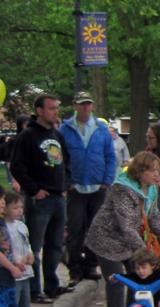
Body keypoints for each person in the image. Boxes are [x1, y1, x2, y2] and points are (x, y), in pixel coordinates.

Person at [85, 152, 160, 307]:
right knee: (117, 279)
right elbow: (127, 226)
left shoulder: (151, 189)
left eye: (158, 170)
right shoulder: (122, 189)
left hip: (128, 241)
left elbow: (154, 215)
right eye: (153, 170)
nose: (157, 174)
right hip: (107, 238)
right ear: (140, 172)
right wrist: (144, 252)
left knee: (137, 278)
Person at [10, 94, 72, 303]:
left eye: (57, 108)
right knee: (35, 246)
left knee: (55, 244)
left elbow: (67, 163)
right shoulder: (27, 136)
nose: (55, 112)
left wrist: (65, 186)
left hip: (58, 197)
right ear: (39, 111)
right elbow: (17, 166)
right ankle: (35, 290)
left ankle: (52, 285)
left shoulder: (57, 135)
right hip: (40, 198)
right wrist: (33, 189)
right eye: (51, 108)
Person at [60, 91, 117, 286]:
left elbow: (110, 157)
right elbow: (60, 158)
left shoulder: (101, 129)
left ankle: (91, 265)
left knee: (96, 228)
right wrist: (67, 183)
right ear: (75, 105)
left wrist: (107, 180)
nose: (86, 107)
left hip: (98, 186)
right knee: (75, 228)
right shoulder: (65, 129)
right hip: (76, 187)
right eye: (82, 104)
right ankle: (75, 269)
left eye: (88, 104)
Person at [2, 192, 36, 307]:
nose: (19, 211)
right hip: (13, 273)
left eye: (21, 207)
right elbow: (6, 250)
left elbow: (27, 243)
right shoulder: (2, 228)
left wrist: (30, 255)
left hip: (26, 272)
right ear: (5, 208)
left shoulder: (22, 225)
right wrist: (17, 262)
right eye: (15, 207)